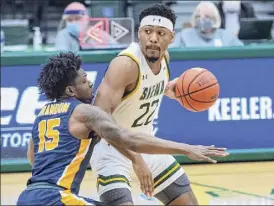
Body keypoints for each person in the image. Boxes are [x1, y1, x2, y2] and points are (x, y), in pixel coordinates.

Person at [16, 52, 228, 206]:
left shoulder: (42, 115)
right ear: (71, 90)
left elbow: (33, 156)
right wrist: (185, 148)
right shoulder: (84, 112)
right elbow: (127, 138)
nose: (90, 83)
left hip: (28, 195)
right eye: (84, 81)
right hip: (57, 198)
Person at [90, 4, 228, 206]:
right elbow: (98, 121)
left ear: (171, 38)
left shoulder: (164, 59)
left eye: (160, 33)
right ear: (139, 34)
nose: (153, 38)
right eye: (148, 32)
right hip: (113, 150)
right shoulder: (125, 65)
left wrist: (166, 88)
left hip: (146, 143)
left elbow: (138, 87)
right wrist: (136, 159)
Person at [170, 1, 244, 48]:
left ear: (215, 19)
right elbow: (170, 53)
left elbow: (242, 52)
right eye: (198, 16)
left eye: (207, 16)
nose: (202, 19)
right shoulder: (184, 35)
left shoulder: (227, 36)